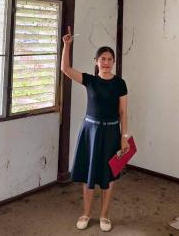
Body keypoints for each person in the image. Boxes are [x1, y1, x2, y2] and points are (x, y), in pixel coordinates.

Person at [61, 26, 130, 232]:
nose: (106, 62)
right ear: (96, 61)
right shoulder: (90, 80)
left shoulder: (120, 83)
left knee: (109, 177)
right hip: (90, 132)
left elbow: (123, 112)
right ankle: (86, 213)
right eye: (102, 59)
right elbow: (66, 69)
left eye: (110, 59)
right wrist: (67, 45)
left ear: (113, 62)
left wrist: (124, 137)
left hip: (111, 134)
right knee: (89, 175)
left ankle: (105, 216)